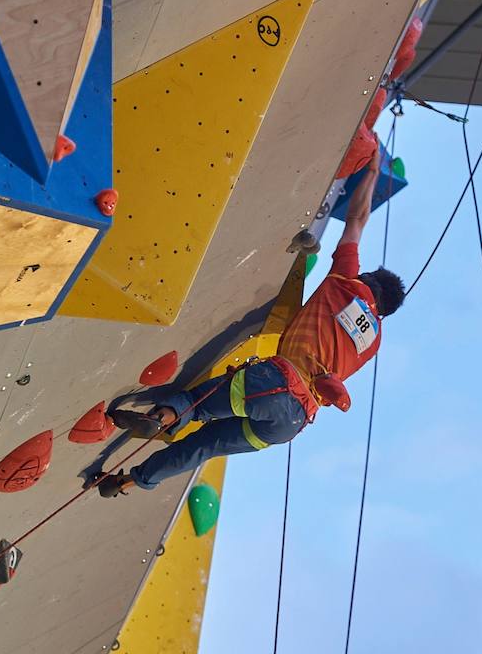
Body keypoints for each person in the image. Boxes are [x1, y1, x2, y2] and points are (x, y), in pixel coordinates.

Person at [97, 142, 406, 498]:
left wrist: (370, 172)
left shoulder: (349, 281)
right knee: (204, 447)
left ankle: (162, 418)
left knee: (196, 404)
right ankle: (126, 482)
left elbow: (357, 220)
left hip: (275, 381)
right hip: (290, 423)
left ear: (370, 280)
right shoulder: (374, 343)